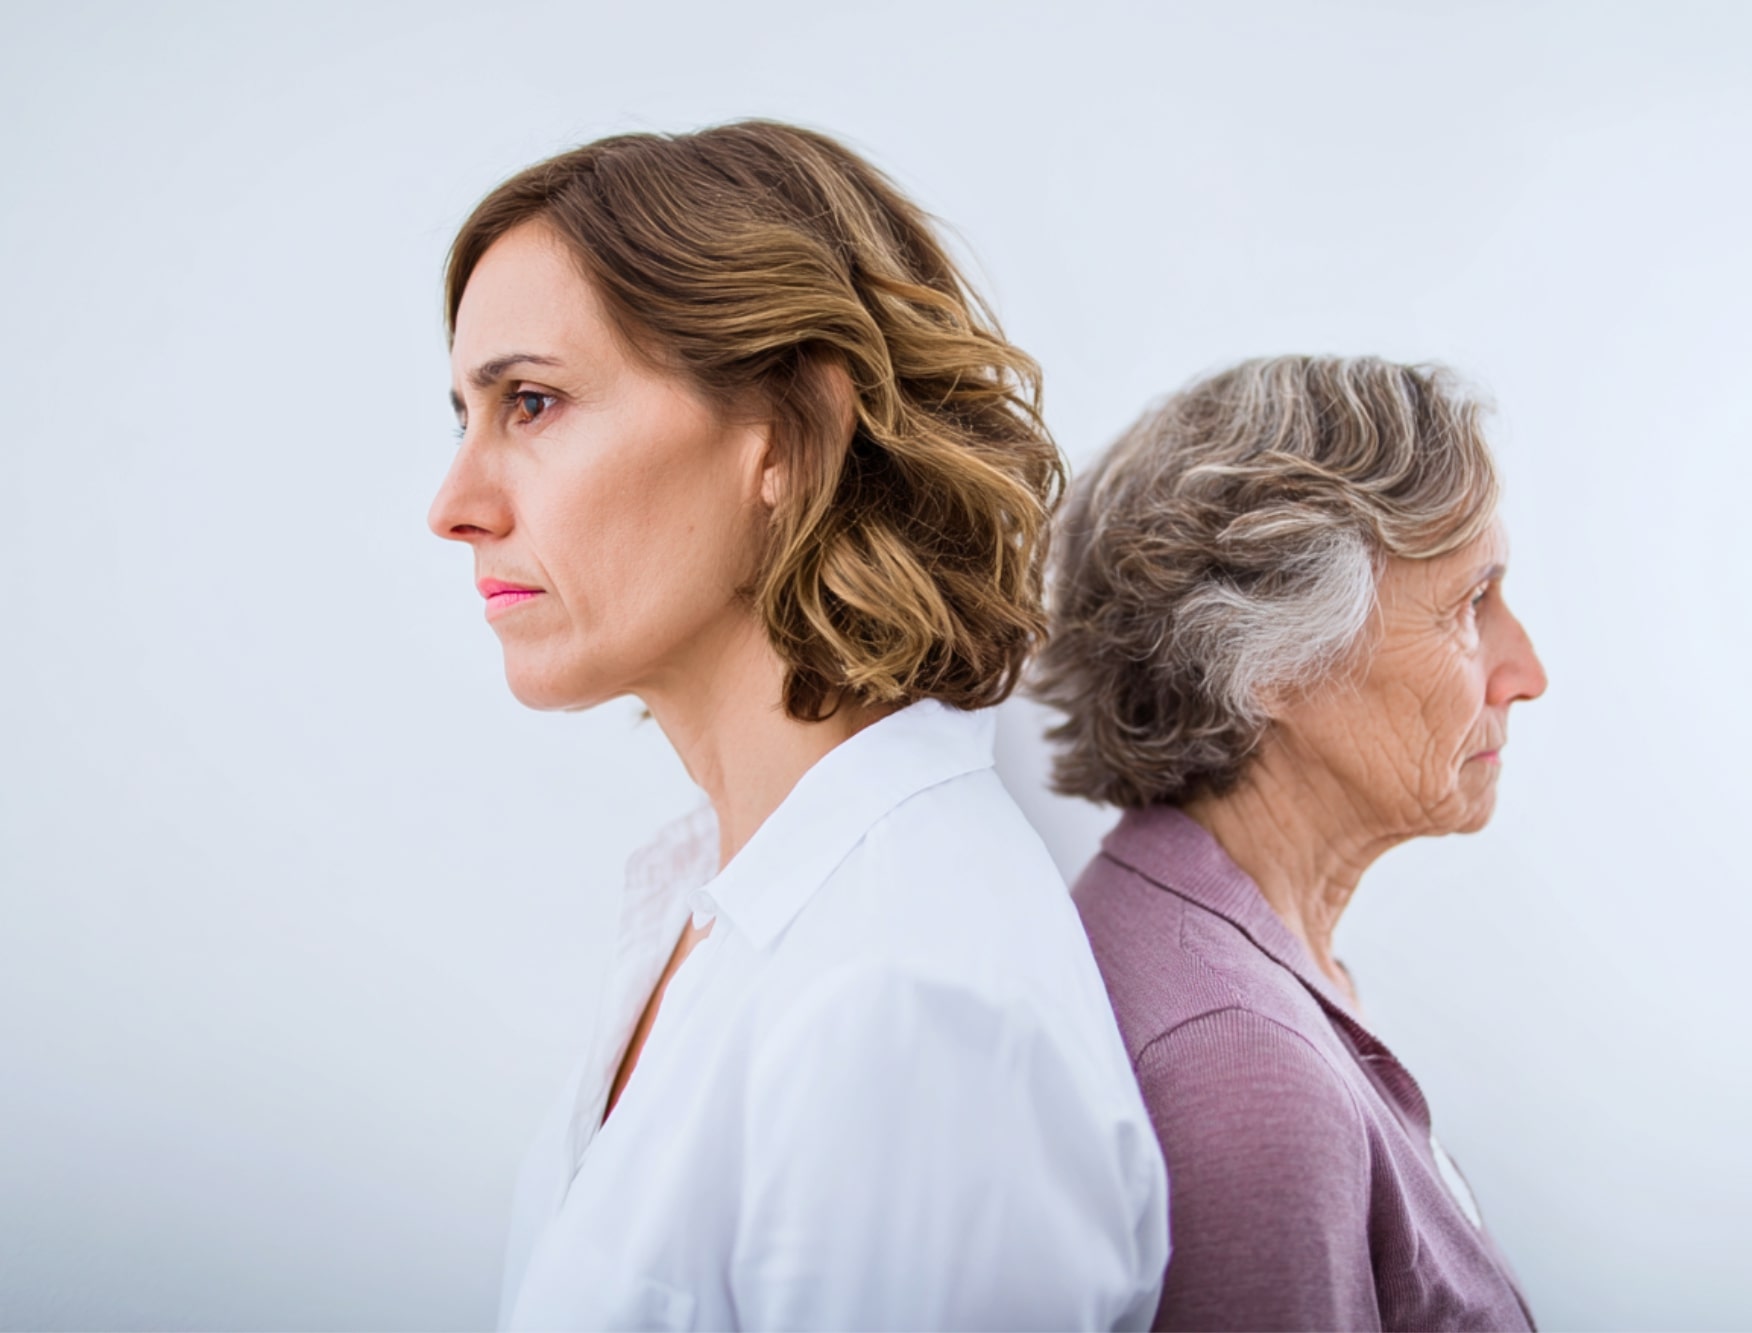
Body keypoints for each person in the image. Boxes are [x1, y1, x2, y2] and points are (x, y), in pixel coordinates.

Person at [428, 121, 1168, 1331]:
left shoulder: (905, 1004)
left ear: (788, 435)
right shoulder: (725, 908)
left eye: (534, 402)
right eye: (462, 414)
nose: (453, 504)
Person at [1035, 356, 1546, 1331]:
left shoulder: (1216, 948)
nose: (1524, 671)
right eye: (1468, 605)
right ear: (1266, 657)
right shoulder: (1243, 1070)